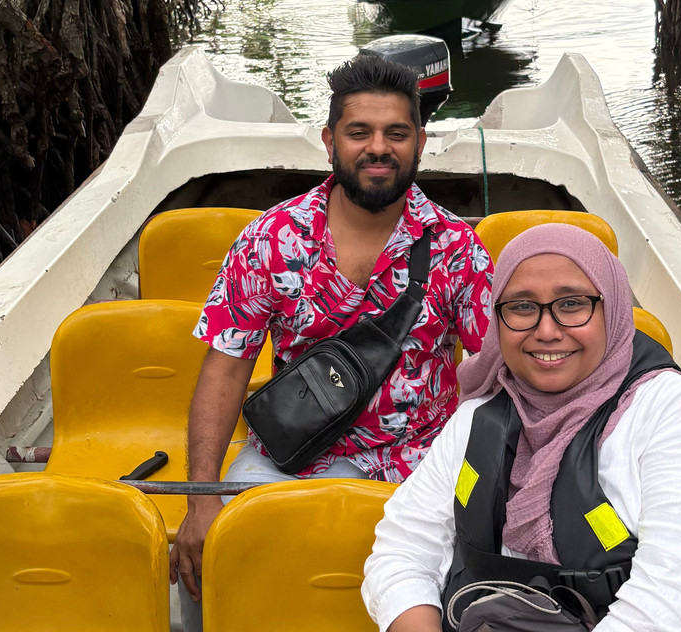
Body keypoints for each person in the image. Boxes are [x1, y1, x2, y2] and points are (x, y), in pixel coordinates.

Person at [170, 55, 494, 630]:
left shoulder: (457, 248)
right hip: (290, 454)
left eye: (396, 133)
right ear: (329, 141)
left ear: (420, 142)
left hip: (419, 466)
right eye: (359, 132)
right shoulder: (270, 240)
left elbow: (498, 363)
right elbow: (225, 369)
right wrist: (201, 500)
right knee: (206, 568)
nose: (378, 147)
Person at [363, 224, 681, 632]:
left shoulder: (672, 415)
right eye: (522, 307)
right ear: (497, 320)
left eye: (572, 303)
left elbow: (678, 598)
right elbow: (404, 547)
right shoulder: (478, 417)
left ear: (611, 309)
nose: (547, 330)